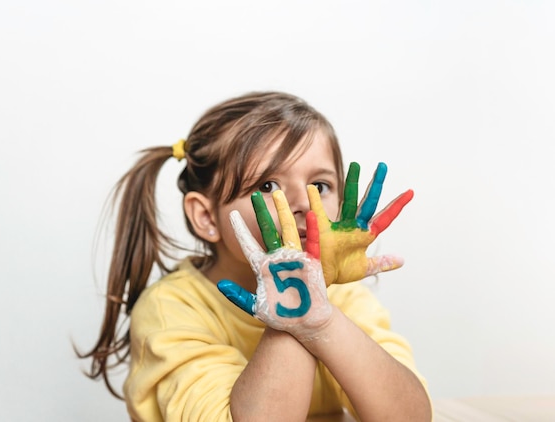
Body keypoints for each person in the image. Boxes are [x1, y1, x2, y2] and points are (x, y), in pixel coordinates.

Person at [77, 91, 432, 421]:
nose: (303, 203)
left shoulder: (342, 298)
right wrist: (297, 317)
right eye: (267, 186)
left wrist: (323, 322)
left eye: (320, 186)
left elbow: (411, 417)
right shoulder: (172, 309)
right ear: (206, 217)